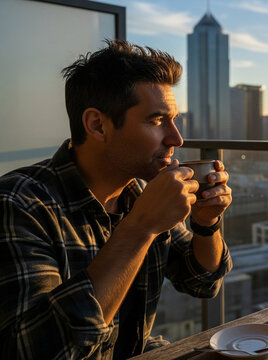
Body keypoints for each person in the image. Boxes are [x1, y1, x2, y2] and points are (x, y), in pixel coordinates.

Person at [0, 40, 232, 359]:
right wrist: (140, 228)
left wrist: (206, 223)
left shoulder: (137, 194)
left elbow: (202, 281)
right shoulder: (19, 204)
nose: (176, 138)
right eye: (156, 120)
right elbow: (38, 350)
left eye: (175, 120)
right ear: (98, 125)